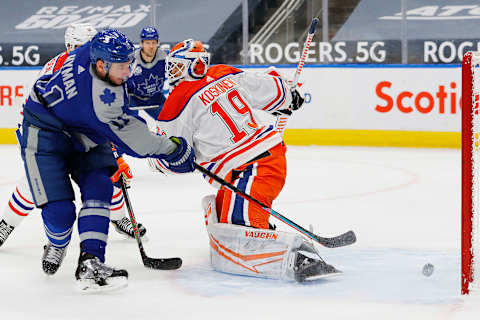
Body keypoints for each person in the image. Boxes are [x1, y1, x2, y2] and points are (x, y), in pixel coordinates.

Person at [17, 29, 195, 291]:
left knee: (100, 185)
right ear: (101, 65)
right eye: (123, 67)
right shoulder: (100, 101)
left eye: (128, 63)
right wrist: (174, 150)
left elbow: (117, 121)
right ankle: (56, 243)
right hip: (44, 135)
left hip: (84, 129)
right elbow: (139, 142)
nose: (129, 71)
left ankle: (91, 261)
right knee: (61, 214)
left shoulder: (94, 50)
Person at [150, 39, 339, 282]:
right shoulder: (224, 73)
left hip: (255, 167)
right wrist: (289, 97)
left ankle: (295, 256)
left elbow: (170, 157)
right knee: (222, 222)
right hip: (256, 163)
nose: (171, 72)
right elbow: (273, 88)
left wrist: (157, 161)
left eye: (176, 66)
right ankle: (261, 228)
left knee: (240, 233)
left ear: (195, 65)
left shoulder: (177, 100)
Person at [0, 24, 147, 249]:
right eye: (79, 47)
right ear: (69, 46)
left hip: (82, 135)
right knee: (33, 185)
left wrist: (115, 154)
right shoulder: (55, 71)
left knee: (106, 176)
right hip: (51, 134)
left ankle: (118, 218)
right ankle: (6, 224)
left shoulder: (100, 70)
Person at [126, 26, 167, 120]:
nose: (151, 46)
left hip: (156, 97)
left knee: (171, 120)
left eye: (154, 42)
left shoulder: (165, 57)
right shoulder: (132, 60)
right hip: (134, 98)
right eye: (147, 43)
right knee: (130, 124)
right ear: (141, 43)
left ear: (158, 43)